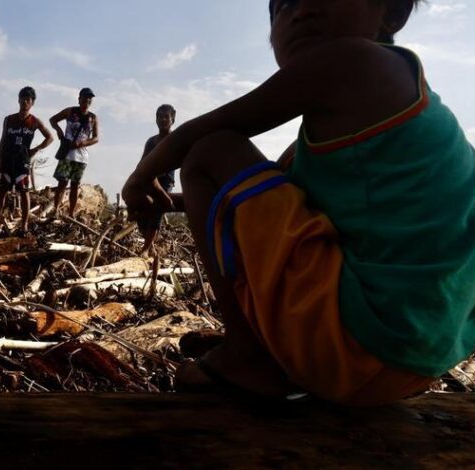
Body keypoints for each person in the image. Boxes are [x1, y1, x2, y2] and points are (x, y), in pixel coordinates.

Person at [122, 0, 475, 406]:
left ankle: (248, 357)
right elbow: (251, 200)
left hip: (359, 345)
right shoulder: (380, 118)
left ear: (391, 14)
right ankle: (270, 352)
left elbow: (197, 137)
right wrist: (168, 204)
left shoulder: (354, 61)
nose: (301, 10)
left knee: (212, 151)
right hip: (414, 360)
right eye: (282, 5)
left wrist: (139, 180)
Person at [0, 86, 54, 233]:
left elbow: (50, 137)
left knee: (24, 192)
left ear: (32, 103)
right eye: (23, 99)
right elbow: (2, 140)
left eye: (29, 100)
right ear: (18, 100)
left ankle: (24, 224)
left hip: (23, 160)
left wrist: (35, 150)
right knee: (2, 191)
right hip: (8, 159)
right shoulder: (9, 120)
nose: (25, 102)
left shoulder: (34, 121)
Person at [50, 87, 100, 218]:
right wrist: (59, 131)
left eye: (90, 98)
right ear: (79, 99)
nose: (87, 100)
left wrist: (82, 143)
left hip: (82, 157)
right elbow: (53, 120)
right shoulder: (70, 111)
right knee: (62, 183)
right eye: (85, 97)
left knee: (75, 185)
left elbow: (96, 138)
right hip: (67, 153)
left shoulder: (93, 118)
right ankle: (55, 210)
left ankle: (71, 214)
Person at [137, 104, 177, 256]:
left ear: (172, 119)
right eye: (160, 116)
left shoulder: (175, 139)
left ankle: (146, 248)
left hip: (165, 181)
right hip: (148, 179)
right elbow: (142, 162)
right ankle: (150, 243)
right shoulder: (151, 141)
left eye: (166, 116)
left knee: (157, 209)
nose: (162, 119)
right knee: (140, 207)